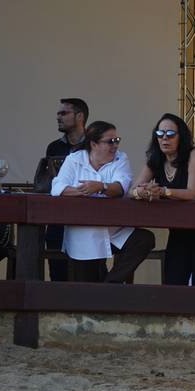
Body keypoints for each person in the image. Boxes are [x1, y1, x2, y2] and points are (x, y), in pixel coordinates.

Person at [130, 113, 195, 286]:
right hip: (180, 231)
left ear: (181, 136)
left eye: (170, 134)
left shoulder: (194, 155)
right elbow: (132, 190)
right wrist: (144, 192)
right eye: (160, 134)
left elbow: (192, 193)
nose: (164, 139)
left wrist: (163, 192)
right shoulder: (155, 159)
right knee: (173, 282)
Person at [50, 121, 155, 283]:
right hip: (83, 234)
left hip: (114, 230)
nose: (115, 146)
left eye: (117, 140)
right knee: (87, 290)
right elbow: (57, 187)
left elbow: (121, 187)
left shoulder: (121, 158)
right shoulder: (74, 159)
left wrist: (100, 187)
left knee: (144, 239)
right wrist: (86, 190)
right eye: (110, 141)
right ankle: (103, 293)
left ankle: (110, 286)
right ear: (93, 144)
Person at [43, 97, 90, 282]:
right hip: (57, 218)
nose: (58, 117)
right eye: (58, 113)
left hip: (87, 219)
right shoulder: (54, 147)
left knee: (88, 274)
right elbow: (51, 182)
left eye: (64, 113)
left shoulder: (95, 145)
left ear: (80, 116)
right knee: (57, 271)